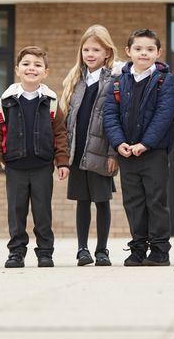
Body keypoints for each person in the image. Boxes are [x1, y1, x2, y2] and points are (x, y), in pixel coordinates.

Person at [0, 46, 69, 269]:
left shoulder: (51, 102)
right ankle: (16, 253)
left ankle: (45, 252)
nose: (31, 68)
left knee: (43, 212)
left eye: (37, 65)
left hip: (42, 166)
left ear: (45, 72)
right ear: (17, 69)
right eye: (26, 64)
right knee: (16, 211)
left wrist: (62, 161)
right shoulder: (5, 102)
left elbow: (60, 133)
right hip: (15, 166)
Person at [103, 28, 174, 266]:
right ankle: (138, 247)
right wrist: (119, 142)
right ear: (128, 52)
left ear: (158, 52)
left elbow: (164, 115)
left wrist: (145, 144)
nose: (143, 53)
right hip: (127, 152)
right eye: (138, 49)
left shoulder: (164, 80)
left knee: (155, 200)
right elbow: (110, 116)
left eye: (149, 49)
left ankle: (159, 249)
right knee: (133, 202)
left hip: (153, 152)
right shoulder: (117, 81)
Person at [60, 25, 122, 267]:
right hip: (77, 152)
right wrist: (64, 156)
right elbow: (67, 121)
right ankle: (82, 249)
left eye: (96, 49)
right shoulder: (75, 80)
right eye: (86, 49)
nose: (90, 54)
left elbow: (116, 120)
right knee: (82, 202)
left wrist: (113, 152)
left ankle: (102, 250)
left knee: (102, 201)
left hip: (101, 153)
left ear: (107, 52)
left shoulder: (114, 80)